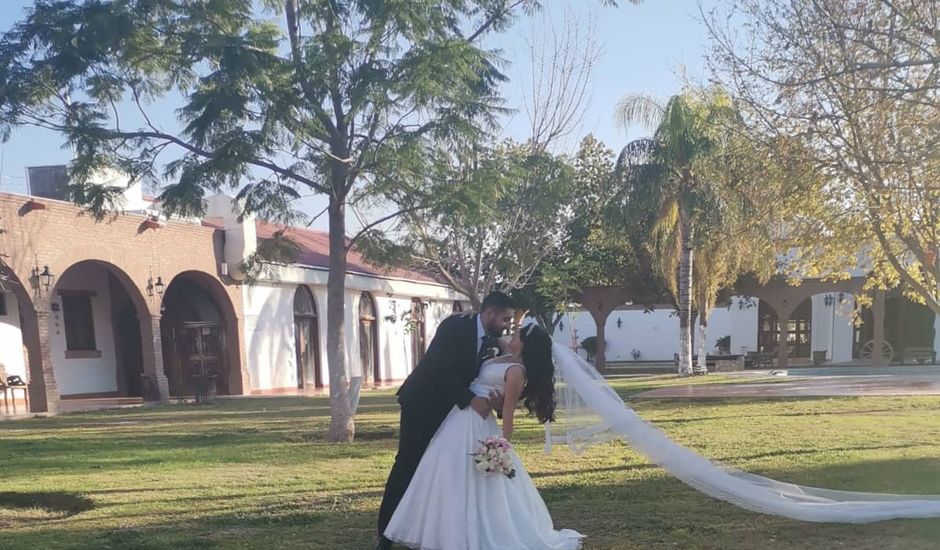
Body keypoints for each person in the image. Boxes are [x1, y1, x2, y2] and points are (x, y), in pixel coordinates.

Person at [383, 323, 584, 550]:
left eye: (517, 335)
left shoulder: (517, 370)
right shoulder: (503, 355)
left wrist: (500, 447)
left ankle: (477, 531)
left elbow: (507, 415)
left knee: (473, 479)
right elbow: (488, 333)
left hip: (479, 423)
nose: (512, 336)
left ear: (525, 344)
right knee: (446, 470)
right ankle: (446, 529)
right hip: (459, 418)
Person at [376, 291, 515, 550]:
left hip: (455, 414)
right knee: (408, 463)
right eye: (505, 318)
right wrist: (470, 398)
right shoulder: (454, 326)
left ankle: (437, 529)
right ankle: (386, 534)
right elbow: (439, 366)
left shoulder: (494, 341)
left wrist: (493, 401)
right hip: (423, 403)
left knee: (442, 470)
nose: (508, 324)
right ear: (490, 312)